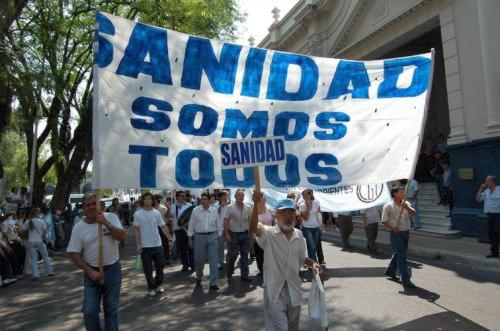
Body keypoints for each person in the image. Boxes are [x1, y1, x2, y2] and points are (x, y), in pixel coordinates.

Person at [250, 193, 322, 331]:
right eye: (284, 213)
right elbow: (254, 228)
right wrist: (255, 205)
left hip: (294, 290)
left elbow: (302, 259)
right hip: (274, 291)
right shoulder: (268, 233)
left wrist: (313, 264)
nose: (288, 216)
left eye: (291, 212)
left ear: (296, 216)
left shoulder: (299, 235)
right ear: (276, 216)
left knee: (292, 327)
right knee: (281, 328)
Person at [67, 193, 126, 331]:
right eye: (88, 205)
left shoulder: (111, 217)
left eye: (95, 203)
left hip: (112, 270)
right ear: (84, 208)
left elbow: (122, 236)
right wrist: (90, 272)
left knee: (111, 311)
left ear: (100, 204)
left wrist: (106, 223)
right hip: (92, 272)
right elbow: (73, 253)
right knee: (89, 311)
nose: (92, 207)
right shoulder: (79, 227)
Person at [134, 192, 172, 296]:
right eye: (145, 199)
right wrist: (138, 244)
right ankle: (151, 287)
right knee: (148, 269)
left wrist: (169, 238)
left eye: (149, 199)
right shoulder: (138, 214)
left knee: (160, 267)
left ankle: (158, 284)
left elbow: (163, 226)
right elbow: (136, 230)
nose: (147, 200)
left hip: (157, 245)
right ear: (143, 200)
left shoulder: (156, 213)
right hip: (145, 246)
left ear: (152, 200)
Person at [382, 186, 417, 290]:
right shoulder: (388, 206)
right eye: (401, 192)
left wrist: (407, 207)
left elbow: (413, 213)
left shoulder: (406, 204)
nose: (403, 194)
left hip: (406, 232)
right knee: (402, 255)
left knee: (398, 253)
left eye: (403, 192)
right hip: (395, 233)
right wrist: (393, 228)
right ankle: (405, 279)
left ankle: (390, 270)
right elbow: (384, 220)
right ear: (395, 194)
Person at [187, 193, 221, 290]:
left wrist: (219, 238)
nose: (203, 201)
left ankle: (213, 283)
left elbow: (218, 225)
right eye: (202, 199)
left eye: (205, 199)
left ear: (209, 200)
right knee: (199, 260)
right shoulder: (195, 210)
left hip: (212, 236)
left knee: (213, 260)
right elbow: (191, 225)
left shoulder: (214, 211)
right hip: (199, 237)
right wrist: (190, 238)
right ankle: (199, 276)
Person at [224, 189, 253, 282]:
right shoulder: (229, 207)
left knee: (245, 255)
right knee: (233, 255)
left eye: (242, 195)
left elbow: (250, 221)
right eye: (239, 195)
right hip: (233, 234)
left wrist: (251, 233)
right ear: (235, 197)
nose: (241, 197)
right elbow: (226, 221)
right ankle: (229, 271)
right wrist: (227, 234)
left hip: (245, 234)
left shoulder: (248, 208)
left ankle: (244, 275)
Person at [23, 208, 55, 281]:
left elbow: (23, 231)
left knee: (33, 259)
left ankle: (35, 275)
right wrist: (41, 235)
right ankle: (49, 272)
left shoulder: (28, 222)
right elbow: (45, 232)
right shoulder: (41, 221)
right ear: (37, 214)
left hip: (30, 241)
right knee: (45, 256)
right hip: (39, 241)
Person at [476, 176, 500, 258]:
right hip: (490, 215)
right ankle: (495, 253)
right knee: (492, 234)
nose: (485, 182)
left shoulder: (499, 190)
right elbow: (478, 199)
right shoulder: (486, 191)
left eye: (487, 181)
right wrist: (480, 189)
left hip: (498, 215)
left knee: (498, 233)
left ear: (491, 182)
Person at [172, 191, 194, 272]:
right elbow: (168, 216)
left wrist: (187, 224)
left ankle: (193, 265)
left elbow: (193, 217)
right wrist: (168, 209)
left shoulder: (189, 206)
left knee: (191, 248)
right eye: (181, 196)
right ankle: (185, 265)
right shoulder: (173, 206)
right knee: (182, 249)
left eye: (184, 196)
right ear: (177, 197)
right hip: (178, 230)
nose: (183, 197)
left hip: (188, 230)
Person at [299, 189, 323, 262]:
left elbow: (319, 214)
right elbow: (305, 218)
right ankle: (314, 263)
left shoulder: (316, 203)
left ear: (310, 195)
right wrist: (308, 208)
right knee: (312, 246)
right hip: (307, 228)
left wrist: (321, 225)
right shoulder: (302, 205)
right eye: (303, 195)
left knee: (314, 246)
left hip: (316, 227)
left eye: (306, 195)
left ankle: (311, 262)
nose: (305, 197)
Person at [253, 194, 274, 274]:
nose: (261, 202)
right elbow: (252, 224)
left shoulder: (270, 210)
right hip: (258, 236)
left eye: (263, 200)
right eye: (260, 200)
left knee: (268, 253)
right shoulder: (254, 212)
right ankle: (261, 270)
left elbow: (273, 222)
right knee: (259, 254)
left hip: (269, 235)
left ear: (265, 201)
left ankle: (268, 269)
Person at [153, 194, 173, 265]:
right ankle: (158, 259)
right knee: (156, 244)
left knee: (165, 244)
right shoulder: (151, 208)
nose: (153, 201)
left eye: (154, 199)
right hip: (154, 228)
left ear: (157, 200)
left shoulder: (163, 208)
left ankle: (167, 258)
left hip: (162, 227)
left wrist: (170, 228)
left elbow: (168, 218)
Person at [216, 190, 230, 269]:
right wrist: (221, 206)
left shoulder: (230, 205)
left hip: (228, 229)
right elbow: (214, 215)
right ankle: (220, 262)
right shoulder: (215, 205)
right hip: (220, 230)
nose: (226, 197)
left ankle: (229, 260)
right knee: (220, 247)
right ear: (220, 197)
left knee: (230, 245)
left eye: (227, 195)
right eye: (225, 196)